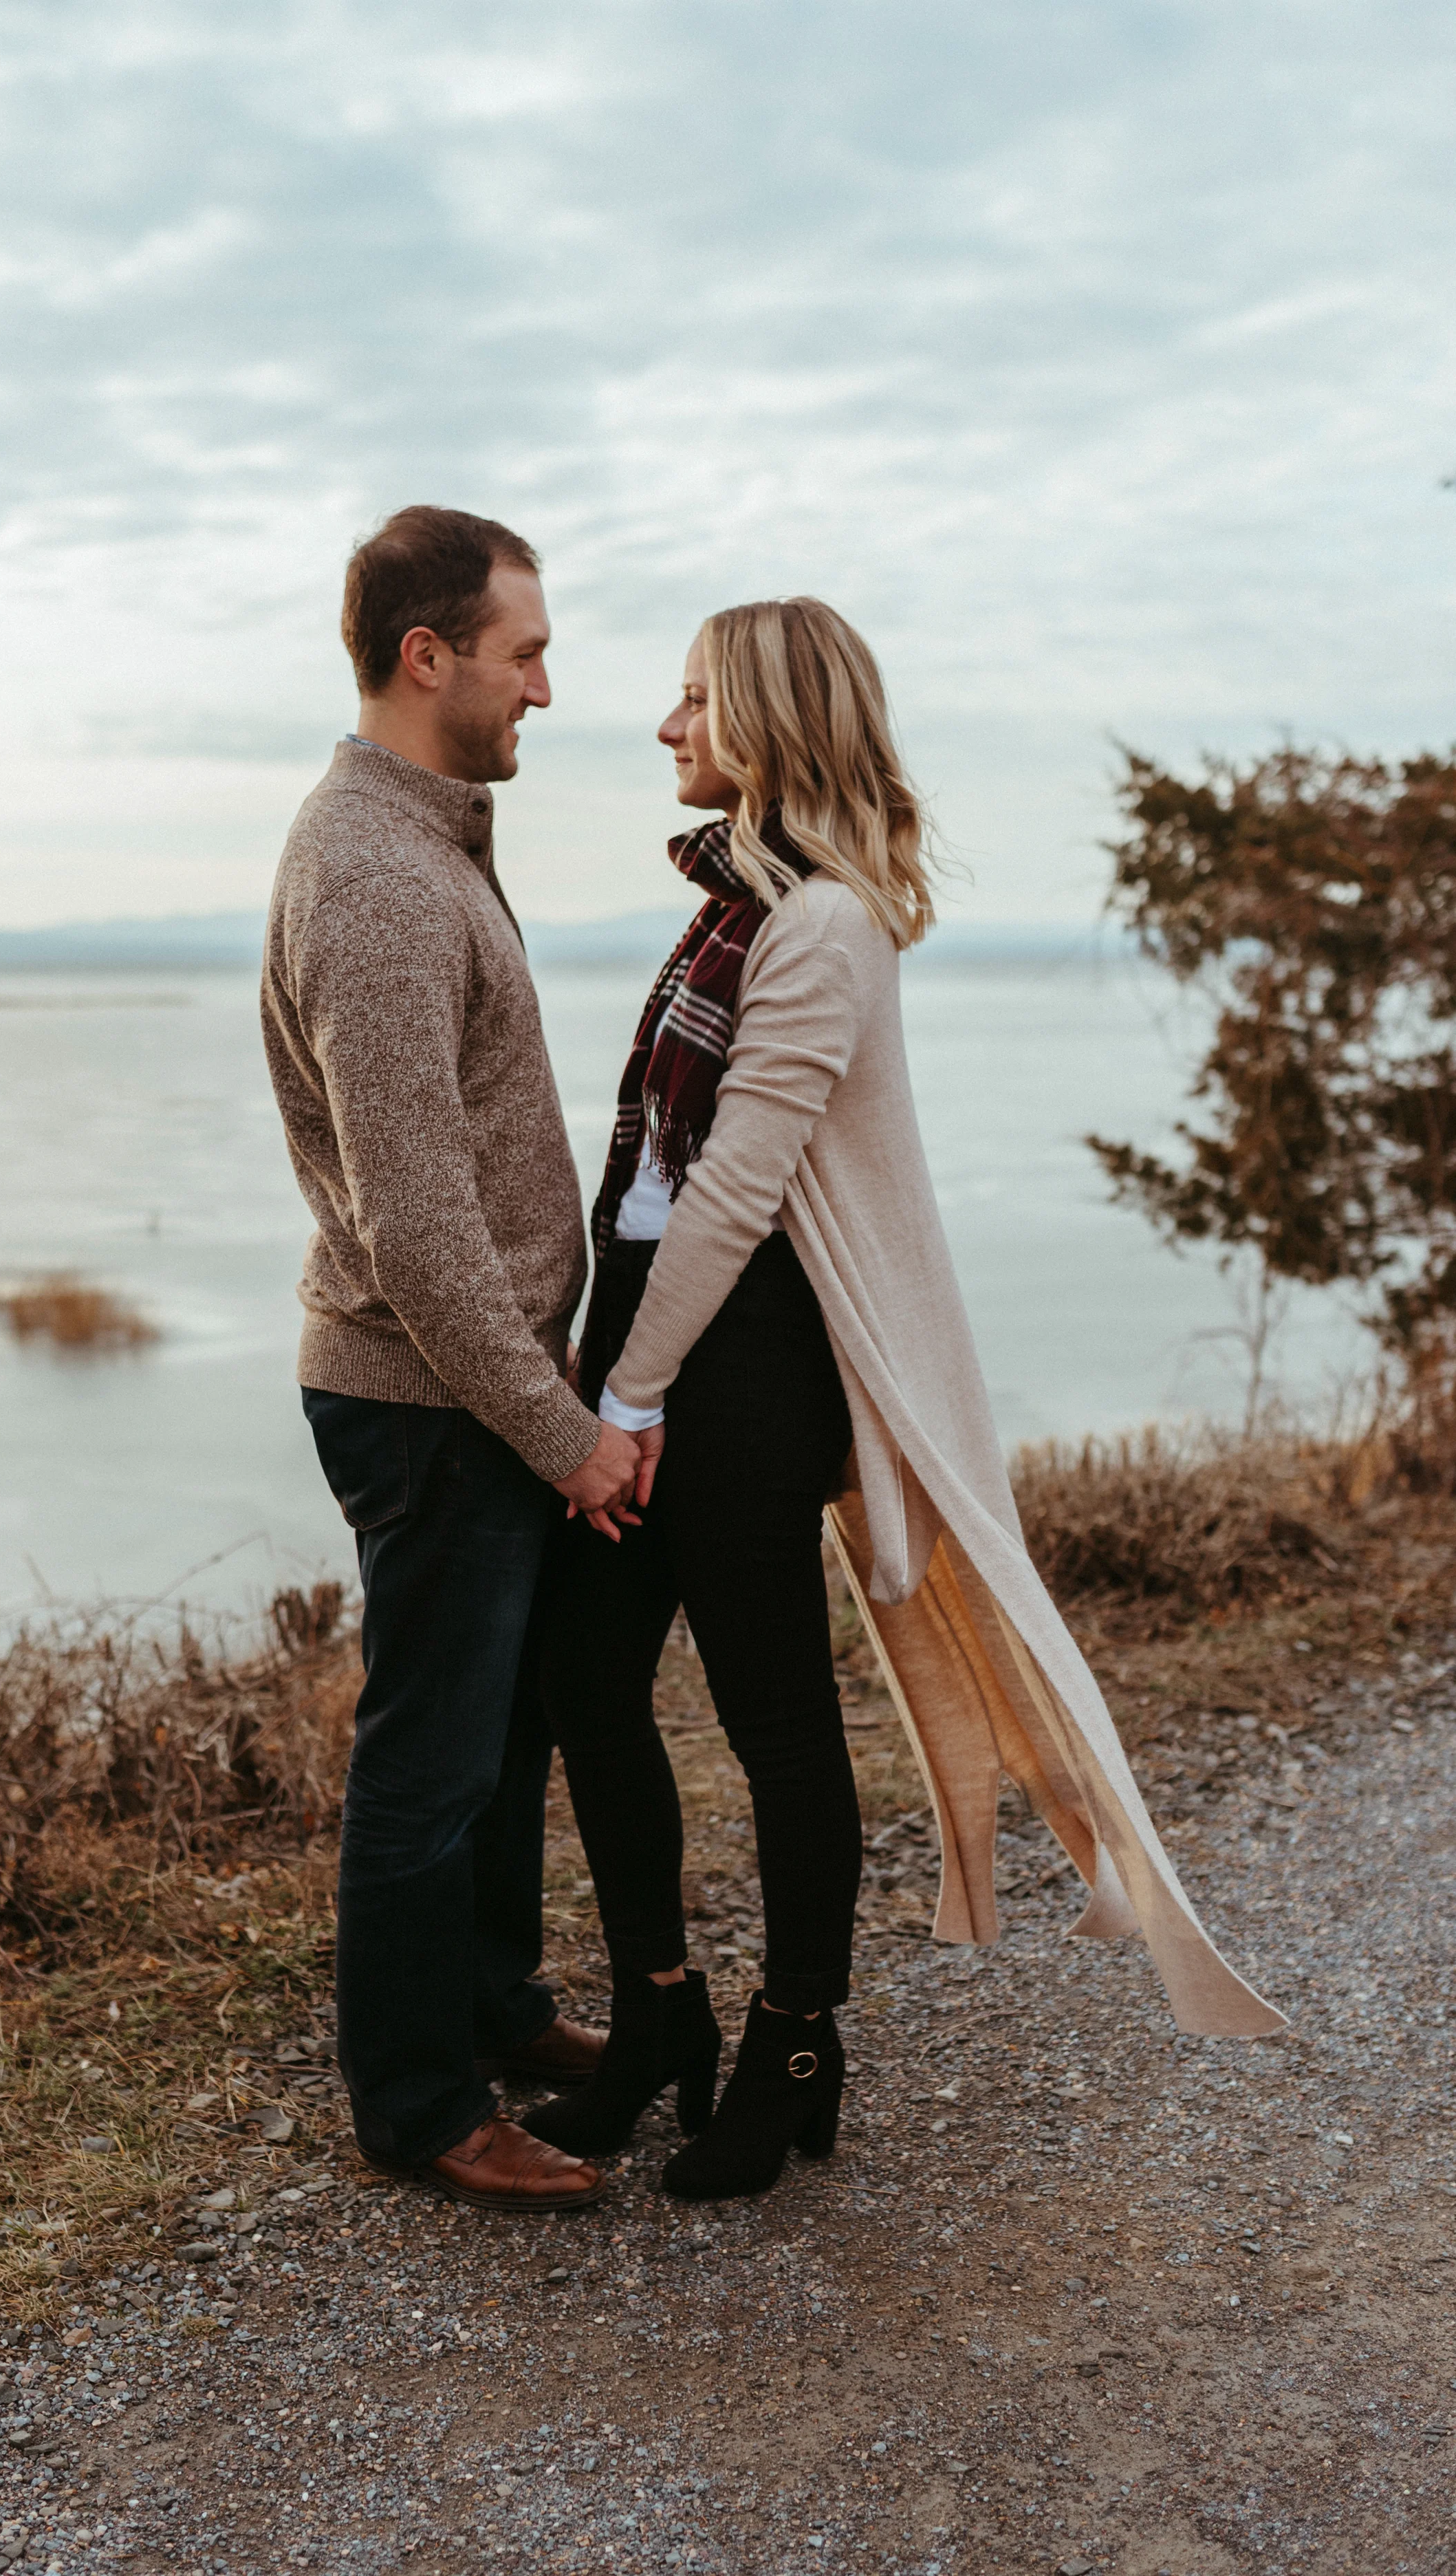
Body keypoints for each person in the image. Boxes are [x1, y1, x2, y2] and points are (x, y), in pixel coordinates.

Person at [528, 594, 1283, 2202]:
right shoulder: (735, 904)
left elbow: (736, 1187)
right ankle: (660, 2014)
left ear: (766, 723)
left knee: (772, 1718)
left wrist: (634, 1395)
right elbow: (660, 1177)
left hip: (730, 1373)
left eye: (689, 703)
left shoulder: (821, 925)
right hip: (653, 1352)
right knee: (585, 1676)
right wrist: (607, 1373)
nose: (662, 730)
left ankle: (795, 2039)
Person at [261, 505, 642, 2212]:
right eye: (524, 653)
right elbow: (416, 1228)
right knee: (429, 1762)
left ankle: (488, 2009)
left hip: (465, 1384)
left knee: (492, 1744)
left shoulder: (426, 838)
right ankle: (418, 2104)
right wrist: (559, 1431)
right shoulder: (372, 874)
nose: (544, 689)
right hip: (428, 1399)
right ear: (430, 659)